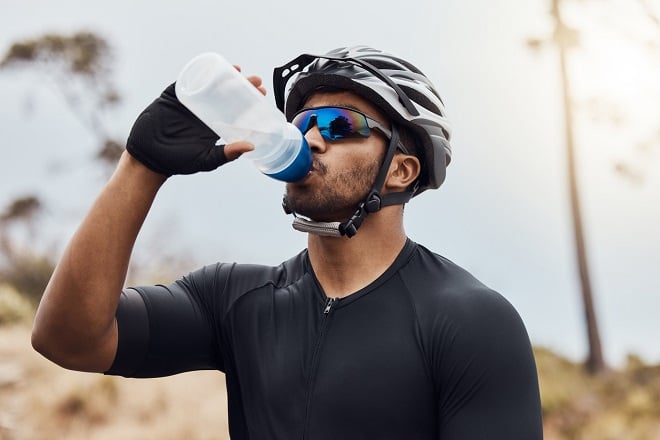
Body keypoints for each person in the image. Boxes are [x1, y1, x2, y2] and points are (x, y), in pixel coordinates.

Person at [32, 46, 543, 439]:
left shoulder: (471, 320)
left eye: (341, 125)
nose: (311, 138)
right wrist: (142, 166)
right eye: (303, 123)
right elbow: (67, 338)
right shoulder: (234, 298)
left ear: (402, 171)